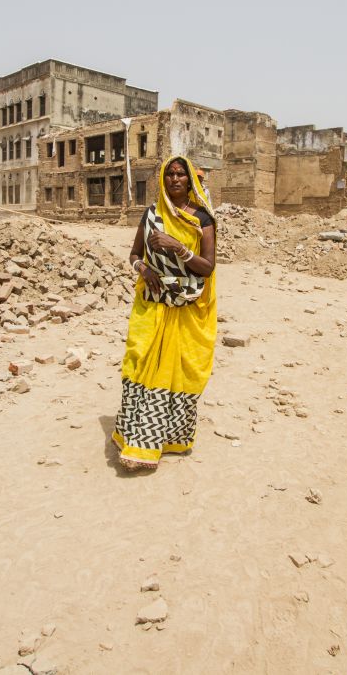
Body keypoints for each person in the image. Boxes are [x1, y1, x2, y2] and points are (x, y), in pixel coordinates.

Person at [113, 156, 217, 470]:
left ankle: (166, 439)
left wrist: (178, 247)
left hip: (185, 309)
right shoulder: (151, 215)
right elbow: (133, 254)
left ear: (191, 181)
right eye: (169, 174)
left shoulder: (203, 219)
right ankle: (137, 441)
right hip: (152, 304)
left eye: (181, 175)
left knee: (176, 372)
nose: (174, 180)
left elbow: (208, 267)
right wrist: (143, 269)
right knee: (141, 364)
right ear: (162, 179)